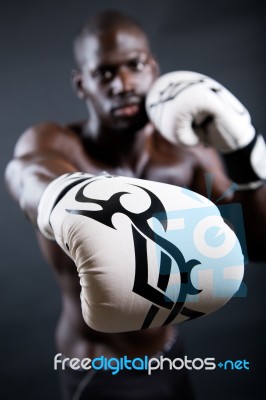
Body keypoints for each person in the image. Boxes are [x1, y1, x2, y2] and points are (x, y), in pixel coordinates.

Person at [4, 9, 266, 400]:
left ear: (154, 68)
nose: (123, 84)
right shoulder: (59, 145)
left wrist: (245, 153)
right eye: (104, 73)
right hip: (100, 368)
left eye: (134, 65)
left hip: (170, 352)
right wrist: (66, 197)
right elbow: (27, 174)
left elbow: (258, 243)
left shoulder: (187, 153)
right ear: (81, 84)